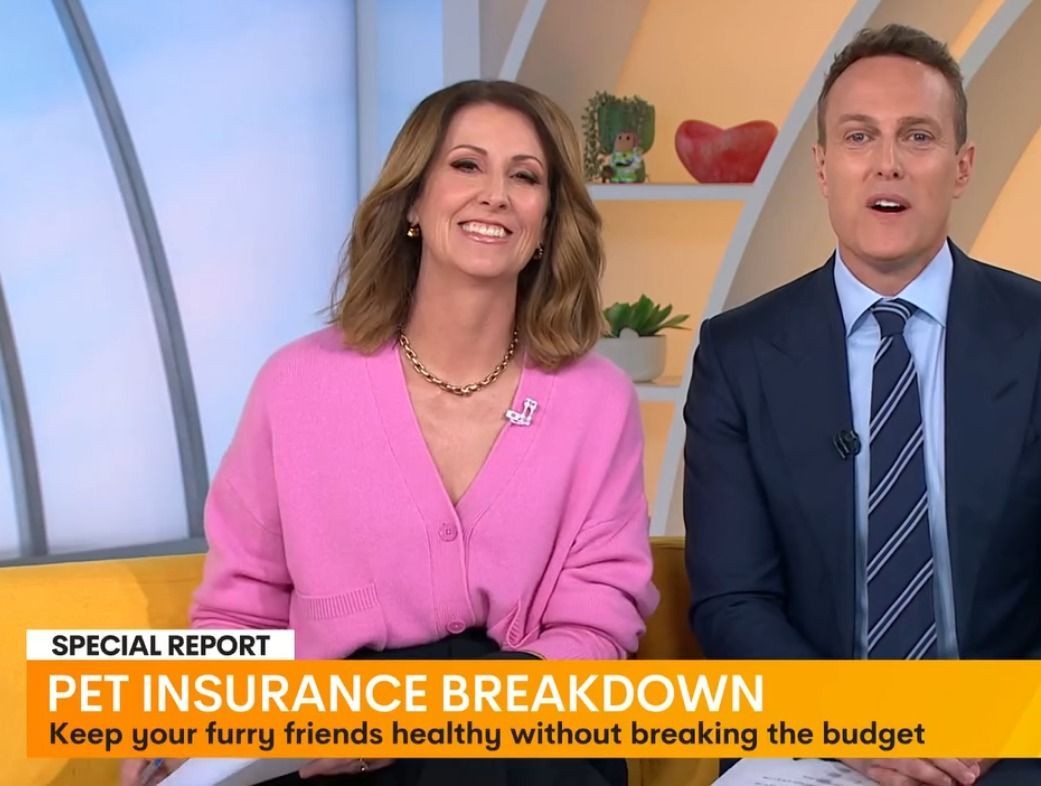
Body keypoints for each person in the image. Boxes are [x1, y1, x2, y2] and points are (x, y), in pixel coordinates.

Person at [121, 79, 658, 786]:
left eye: (525, 177)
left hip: (527, 723)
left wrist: (432, 717)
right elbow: (243, 606)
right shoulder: (295, 385)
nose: (495, 195)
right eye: (466, 165)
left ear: (548, 221)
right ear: (412, 200)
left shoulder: (599, 400)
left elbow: (597, 622)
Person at [682, 24, 1041, 786]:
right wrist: (855, 726)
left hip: (1001, 751)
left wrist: (990, 723)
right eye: (858, 137)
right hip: (814, 743)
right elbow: (732, 601)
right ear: (822, 167)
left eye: (918, 136)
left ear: (962, 166)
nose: (888, 164)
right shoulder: (739, 355)